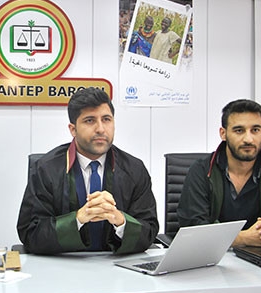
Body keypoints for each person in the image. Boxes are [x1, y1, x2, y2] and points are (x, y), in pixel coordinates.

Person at [17, 87, 159, 254]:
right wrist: (77, 219)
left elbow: (149, 231)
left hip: (118, 265)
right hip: (64, 264)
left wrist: (121, 221)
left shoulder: (134, 169)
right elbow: (30, 233)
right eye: (90, 120)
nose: (101, 129)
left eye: (106, 119)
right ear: (73, 129)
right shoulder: (46, 169)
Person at [177, 99, 261, 248]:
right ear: (223, 134)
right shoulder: (202, 171)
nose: (248, 139)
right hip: (216, 258)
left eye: (255, 130)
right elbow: (193, 229)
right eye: (239, 130)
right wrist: (243, 238)